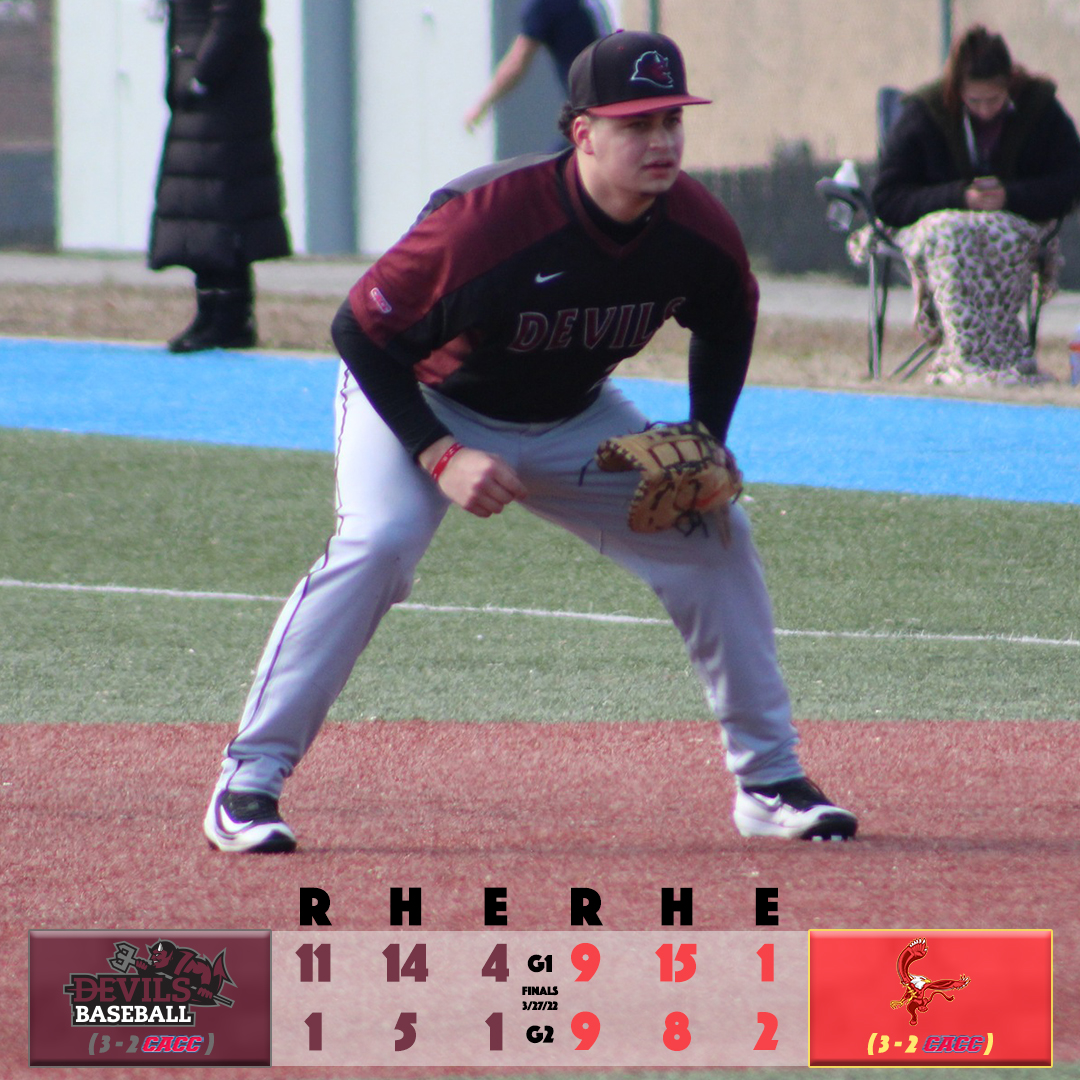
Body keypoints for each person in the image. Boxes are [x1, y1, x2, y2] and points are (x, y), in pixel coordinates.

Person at [203, 29, 858, 854]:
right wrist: (438, 454)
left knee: (715, 533)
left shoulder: (694, 225)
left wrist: (704, 442)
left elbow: (727, 320)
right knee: (379, 545)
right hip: (425, 399)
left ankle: (769, 783)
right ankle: (248, 782)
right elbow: (360, 331)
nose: (659, 143)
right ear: (582, 132)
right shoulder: (487, 221)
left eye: (670, 122)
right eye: (635, 124)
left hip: (573, 412)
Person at [870, 24, 1080, 384]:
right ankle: (964, 354)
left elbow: (1069, 182)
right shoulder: (924, 113)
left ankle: (1001, 355)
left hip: (1013, 224)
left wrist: (1010, 197)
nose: (985, 111)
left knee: (997, 236)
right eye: (975, 101)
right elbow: (887, 198)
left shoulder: (1039, 110)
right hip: (940, 229)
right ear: (957, 92)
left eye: (995, 100)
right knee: (952, 233)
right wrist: (958, 196)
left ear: (1010, 85)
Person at [148, 0, 291, 353]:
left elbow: (234, 18)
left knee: (223, 202)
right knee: (199, 207)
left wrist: (202, 75)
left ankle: (231, 315)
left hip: (224, 94)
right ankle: (210, 310)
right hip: (198, 88)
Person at [464, 0, 615, 133]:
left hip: (591, 109)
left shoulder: (544, 4)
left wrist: (482, 106)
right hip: (612, 101)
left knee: (560, 163)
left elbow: (517, 62)